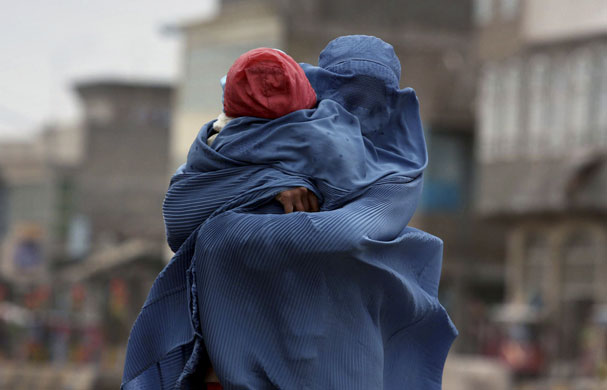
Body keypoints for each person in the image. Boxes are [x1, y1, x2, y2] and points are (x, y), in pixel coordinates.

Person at [122, 35, 456, 390]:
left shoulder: (396, 172)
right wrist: (272, 182)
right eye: (345, 94)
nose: (356, 113)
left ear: (392, 102)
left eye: (371, 100)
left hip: (338, 353)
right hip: (238, 360)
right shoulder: (272, 134)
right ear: (318, 89)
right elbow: (181, 215)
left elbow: (348, 234)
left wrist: (227, 230)